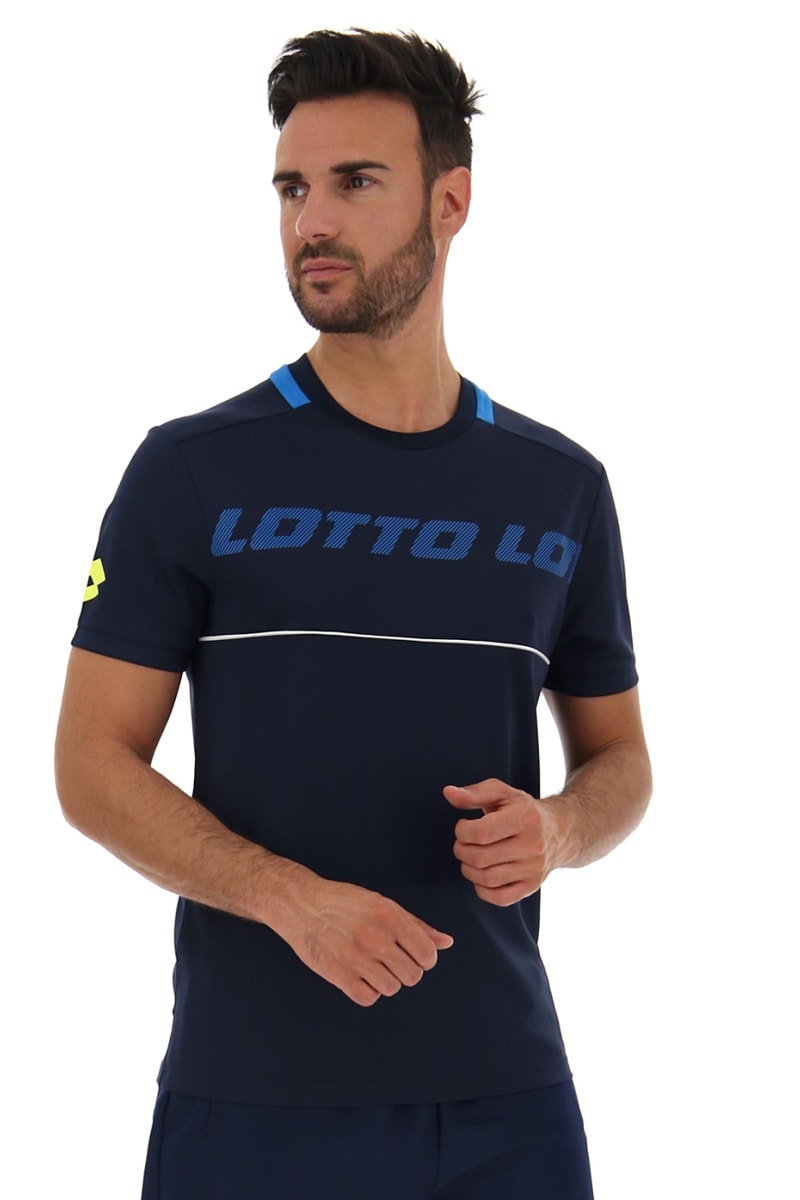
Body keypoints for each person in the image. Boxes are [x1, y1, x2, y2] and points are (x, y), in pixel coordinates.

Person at [55, 28, 651, 1200]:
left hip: (507, 1105)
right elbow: (89, 764)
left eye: (354, 182)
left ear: (449, 202)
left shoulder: (559, 487)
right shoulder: (192, 470)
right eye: (291, 188)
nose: (310, 222)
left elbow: (620, 760)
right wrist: (288, 900)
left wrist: (559, 830)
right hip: (254, 1100)